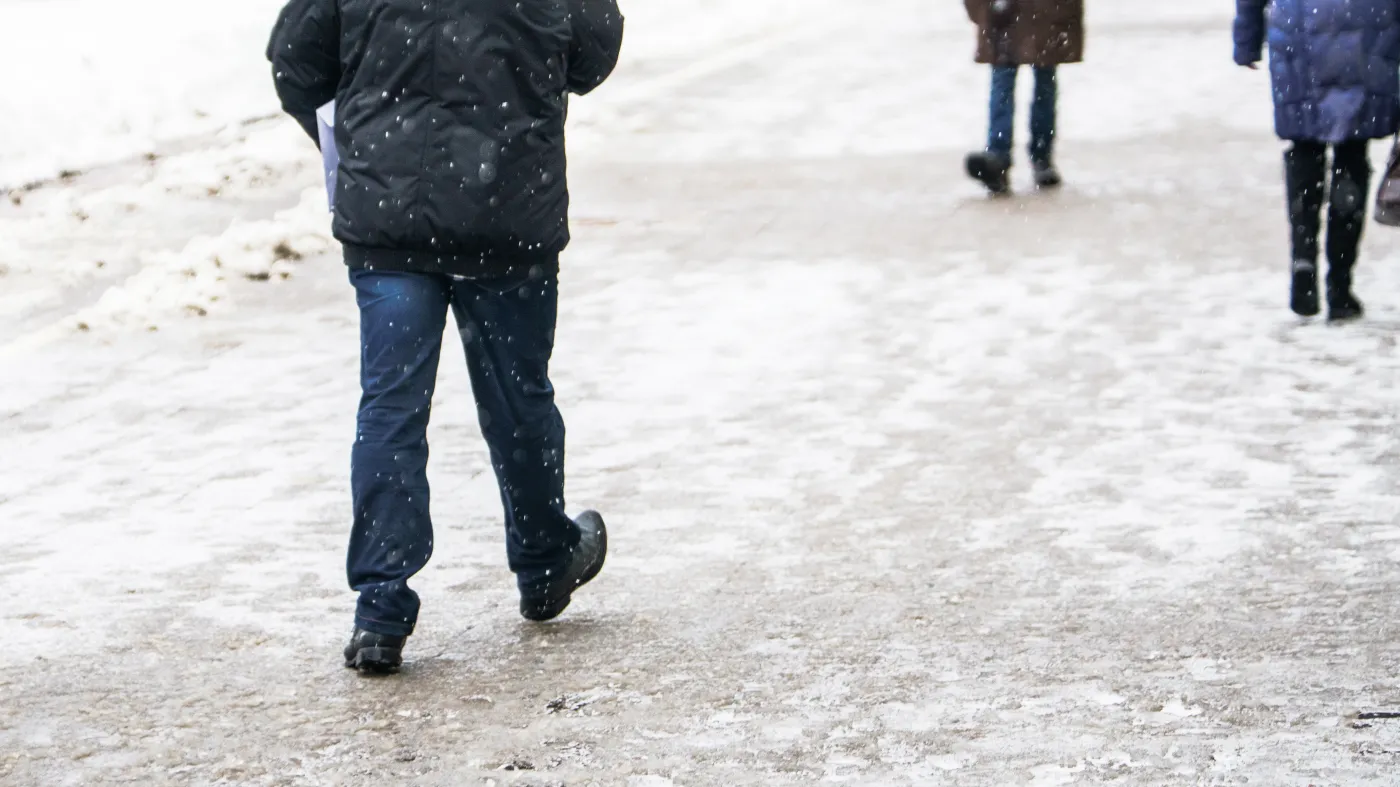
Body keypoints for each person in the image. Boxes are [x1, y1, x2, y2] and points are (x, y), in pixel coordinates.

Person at [267, 0, 624, 673]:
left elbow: (295, 62)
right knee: (519, 398)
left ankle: (380, 608)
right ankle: (546, 560)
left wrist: (366, 141)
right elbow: (594, 50)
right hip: (509, 212)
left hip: (391, 225)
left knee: (390, 410)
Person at [1234, 0, 1400, 321]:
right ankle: (1340, 285)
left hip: (1299, 33)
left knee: (1304, 146)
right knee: (1351, 155)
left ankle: (1303, 260)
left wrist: (1247, 40)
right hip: (1367, 29)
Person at [963, 0, 1084, 195]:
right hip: (1010, 14)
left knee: (1032, 80)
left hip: (1035, 13)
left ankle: (1025, 156)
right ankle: (1014, 157)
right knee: (1020, 80)